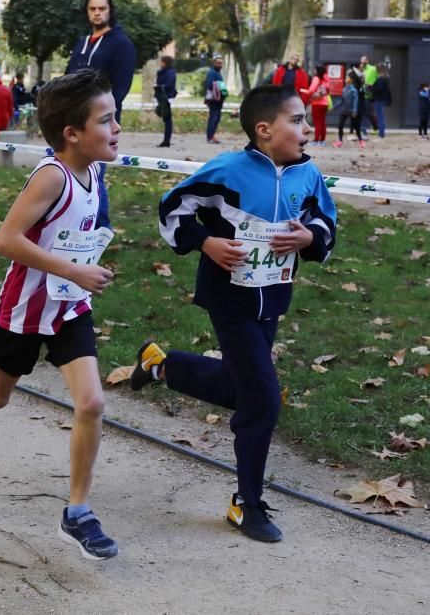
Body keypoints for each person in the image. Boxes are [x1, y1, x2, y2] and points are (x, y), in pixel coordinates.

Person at [130, 84, 337, 544]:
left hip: (273, 298)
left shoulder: (308, 175)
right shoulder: (227, 171)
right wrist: (206, 242)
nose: (308, 129)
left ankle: (160, 364)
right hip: (230, 300)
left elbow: (326, 220)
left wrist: (309, 239)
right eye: (298, 120)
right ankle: (245, 504)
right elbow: (172, 209)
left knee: (237, 387)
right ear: (264, 130)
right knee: (262, 399)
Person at [0, 69, 120, 561]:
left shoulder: (95, 170)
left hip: (69, 308)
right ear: (72, 134)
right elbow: (6, 240)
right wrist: (71, 268)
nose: (117, 128)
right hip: (25, 309)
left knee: (91, 403)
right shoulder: (50, 176)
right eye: (107, 120)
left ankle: (77, 512)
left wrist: (89, 257)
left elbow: (76, 229)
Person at [65, 0, 136, 230]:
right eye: (92, 9)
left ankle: (100, 230)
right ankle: (75, 225)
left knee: (94, 175)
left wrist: (100, 117)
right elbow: (68, 79)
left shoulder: (121, 43)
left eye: (101, 9)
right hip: (72, 121)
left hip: (100, 123)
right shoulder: (82, 42)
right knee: (71, 174)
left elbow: (120, 88)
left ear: (110, 10)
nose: (97, 13)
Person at [301, 65, 330, 146]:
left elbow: (311, 91)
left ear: (317, 71)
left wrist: (303, 90)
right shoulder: (326, 79)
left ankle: (316, 140)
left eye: (315, 69)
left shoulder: (316, 78)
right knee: (323, 122)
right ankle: (322, 140)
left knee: (317, 123)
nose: (314, 71)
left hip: (317, 103)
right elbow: (328, 90)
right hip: (325, 103)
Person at [334, 71, 365, 148]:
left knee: (356, 127)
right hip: (344, 111)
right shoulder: (344, 89)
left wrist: (355, 110)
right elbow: (342, 100)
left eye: (347, 77)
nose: (345, 79)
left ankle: (361, 140)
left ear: (351, 80)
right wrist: (335, 106)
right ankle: (340, 141)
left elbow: (355, 101)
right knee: (340, 125)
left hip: (351, 111)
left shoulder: (353, 90)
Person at [155, 55, 177, 148]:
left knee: (167, 119)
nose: (160, 64)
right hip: (161, 96)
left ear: (165, 63)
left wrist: (158, 87)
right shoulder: (162, 72)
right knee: (165, 117)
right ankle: (166, 140)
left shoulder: (170, 72)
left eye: (162, 62)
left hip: (166, 97)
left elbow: (169, 84)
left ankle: (166, 140)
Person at [205, 55, 227, 144]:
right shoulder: (212, 72)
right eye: (218, 63)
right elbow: (210, 85)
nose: (220, 65)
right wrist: (220, 88)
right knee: (214, 117)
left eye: (221, 63)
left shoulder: (217, 73)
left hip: (218, 99)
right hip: (214, 99)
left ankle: (211, 135)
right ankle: (210, 136)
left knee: (216, 117)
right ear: (214, 63)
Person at [359, 55, 379, 133]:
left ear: (367, 61)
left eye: (363, 60)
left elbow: (380, 79)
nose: (361, 62)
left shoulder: (373, 69)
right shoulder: (361, 70)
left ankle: (376, 127)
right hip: (362, 93)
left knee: (370, 113)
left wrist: (373, 86)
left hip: (370, 93)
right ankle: (363, 129)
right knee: (362, 112)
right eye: (361, 60)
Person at [371, 65, 391, 139]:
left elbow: (379, 89)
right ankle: (381, 133)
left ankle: (381, 134)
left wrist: (371, 87)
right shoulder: (385, 78)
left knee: (380, 117)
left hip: (379, 100)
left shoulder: (381, 79)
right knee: (380, 116)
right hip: (381, 99)